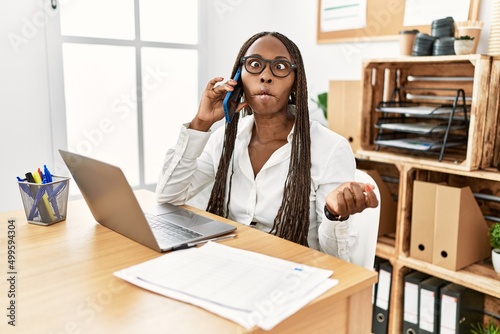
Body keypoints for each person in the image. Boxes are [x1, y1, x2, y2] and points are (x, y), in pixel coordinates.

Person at [156, 31, 378, 261]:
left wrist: (334, 215)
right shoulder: (223, 139)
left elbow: (337, 258)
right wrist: (201, 123)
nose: (265, 76)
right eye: (254, 64)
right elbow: (168, 196)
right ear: (239, 78)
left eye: (280, 67)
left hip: (293, 274)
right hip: (229, 264)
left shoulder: (330, 149)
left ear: (295, 82)